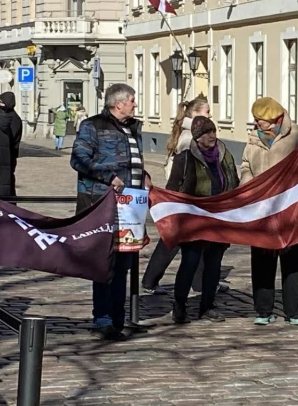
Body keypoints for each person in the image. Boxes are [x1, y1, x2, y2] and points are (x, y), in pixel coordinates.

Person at [71, 84, 152, 339]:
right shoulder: (92, 125)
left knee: (124, 263)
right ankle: (103, 319)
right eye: (132, 101)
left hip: (131, 206)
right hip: (103, 204)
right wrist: (108, 177)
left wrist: (144, 175)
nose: (135, 105)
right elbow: (78, 159)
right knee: (105, 263)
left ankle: (119, 317)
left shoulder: (132, 127)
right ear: (119, 104)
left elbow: (131, 161)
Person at [240, 97, 298, 326]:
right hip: (262, 209)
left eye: (260, 120)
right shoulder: (253, 139)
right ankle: (263, 310)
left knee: (292, 261)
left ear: (274, 119)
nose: (256, 124)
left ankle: (293, 311)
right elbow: (245, 165)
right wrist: (248, 185)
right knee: (262, 260)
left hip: (291, 208)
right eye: (255, 120)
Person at [166, 116, 239, 324]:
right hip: (194, 218)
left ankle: (207, 306)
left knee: (214, 264)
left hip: (219, 218)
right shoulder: (185, 158)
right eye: (207, 133)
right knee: (190, 263)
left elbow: (234, 181)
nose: (212, 136)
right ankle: (179, 304)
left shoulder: (225, 156)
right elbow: (173, 188)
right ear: (197, 137)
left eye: (214, 131)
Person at [143, 96, 211, 295]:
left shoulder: (186, 133)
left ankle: (197, 281)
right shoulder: (190, 138)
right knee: (176, 240)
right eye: (206, 112)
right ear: (194, 114)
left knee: (187, 239)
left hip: (184, 196)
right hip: (186, 196)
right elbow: (186, 170)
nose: (209, 116)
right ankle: (152, 280)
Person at [0, 92, 22, 192]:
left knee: (7, 183)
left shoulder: (13, 119)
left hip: (9, 155)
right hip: (5, 154)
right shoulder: (5, 116)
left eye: (1, 103)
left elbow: (9, 138)